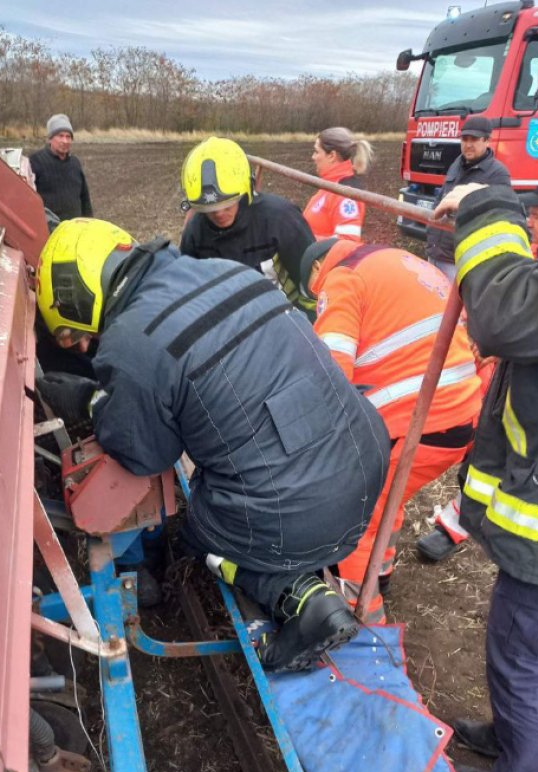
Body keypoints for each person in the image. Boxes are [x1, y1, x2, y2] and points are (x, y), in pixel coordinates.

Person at [35, 218, 390, 672]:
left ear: (81, 298)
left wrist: (90, 398)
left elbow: (145, 453)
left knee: (197, 530)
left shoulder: (129, 343)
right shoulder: (227, 272)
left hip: (297, 513)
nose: (85, 346)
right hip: (366, 461)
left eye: (76, 334)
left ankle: (296, 594)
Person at [430, 120, 538, 772]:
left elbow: (502, 310)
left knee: (530, 658)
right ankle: (512, 740)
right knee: (532, 652)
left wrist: (484, 207)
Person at [301, 238, 481, 620]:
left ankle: (360, 614)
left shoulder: (343, 278)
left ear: (318, 269)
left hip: (416, 419)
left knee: (354, 513)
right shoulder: (399, 261)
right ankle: (379, 570)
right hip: (459, 412)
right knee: (388, 495)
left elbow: (331, 376)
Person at [417, 174, 538, 564]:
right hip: (506, 376)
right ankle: (463, 517)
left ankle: (461, 522)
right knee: (487, 446)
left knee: (501, 448)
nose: (531, 218)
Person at [179, 137, 316, 316]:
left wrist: (308, 324)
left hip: (284, 317)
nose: (219, 214)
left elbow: (313, 281)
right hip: (230, 321)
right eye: (209, 209)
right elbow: (191, 288)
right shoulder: (195, 232)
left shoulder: (281, 220)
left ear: (246, 193)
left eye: (227, 205)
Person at [426, 116, 511, 281]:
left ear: (487, 141)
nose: (468, 144)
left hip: (460, 261)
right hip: (436, 253)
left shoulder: (498, 174)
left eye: (474, 139)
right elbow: (441, 199)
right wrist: (431, 234)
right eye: (465, 139)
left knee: (452, 305)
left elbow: (498, 217)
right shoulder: (456, 165)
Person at [303, 127, 372, 242]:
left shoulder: (345, 193)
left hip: (324, 259)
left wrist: (301, 239)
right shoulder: (330, 185)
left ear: (332, 156)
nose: (313, 157)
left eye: (316, 151)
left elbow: (347, 241)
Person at [30, 114, 93, 223]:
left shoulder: (75, 163)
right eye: (60, 136)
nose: (65, 141)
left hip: (75, 229)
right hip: (49, 231)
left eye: (68, 137)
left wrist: (89, 222)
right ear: (50, 139)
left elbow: (84, 198)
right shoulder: (35, 162)